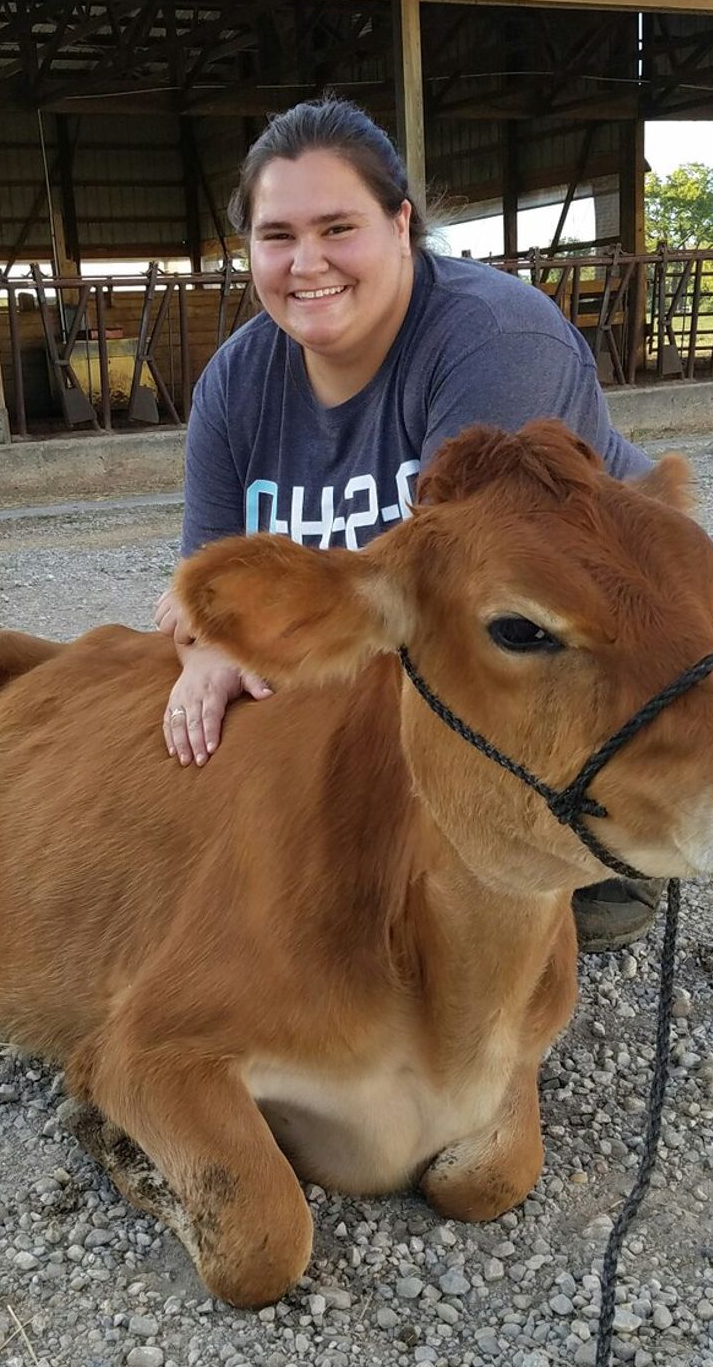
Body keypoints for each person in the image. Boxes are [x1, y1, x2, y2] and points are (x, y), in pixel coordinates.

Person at [154, 95, 661, 953]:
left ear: (401, 225)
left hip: (573, 622)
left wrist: (285, 615)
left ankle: (598, 837)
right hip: (381, 620)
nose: (306, 262)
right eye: (277, 236)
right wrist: (207, 647)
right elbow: (208, 583)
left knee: (500, 651)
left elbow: (473, 591)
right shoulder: (235, 385)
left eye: (337, 228)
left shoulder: (494, 343)